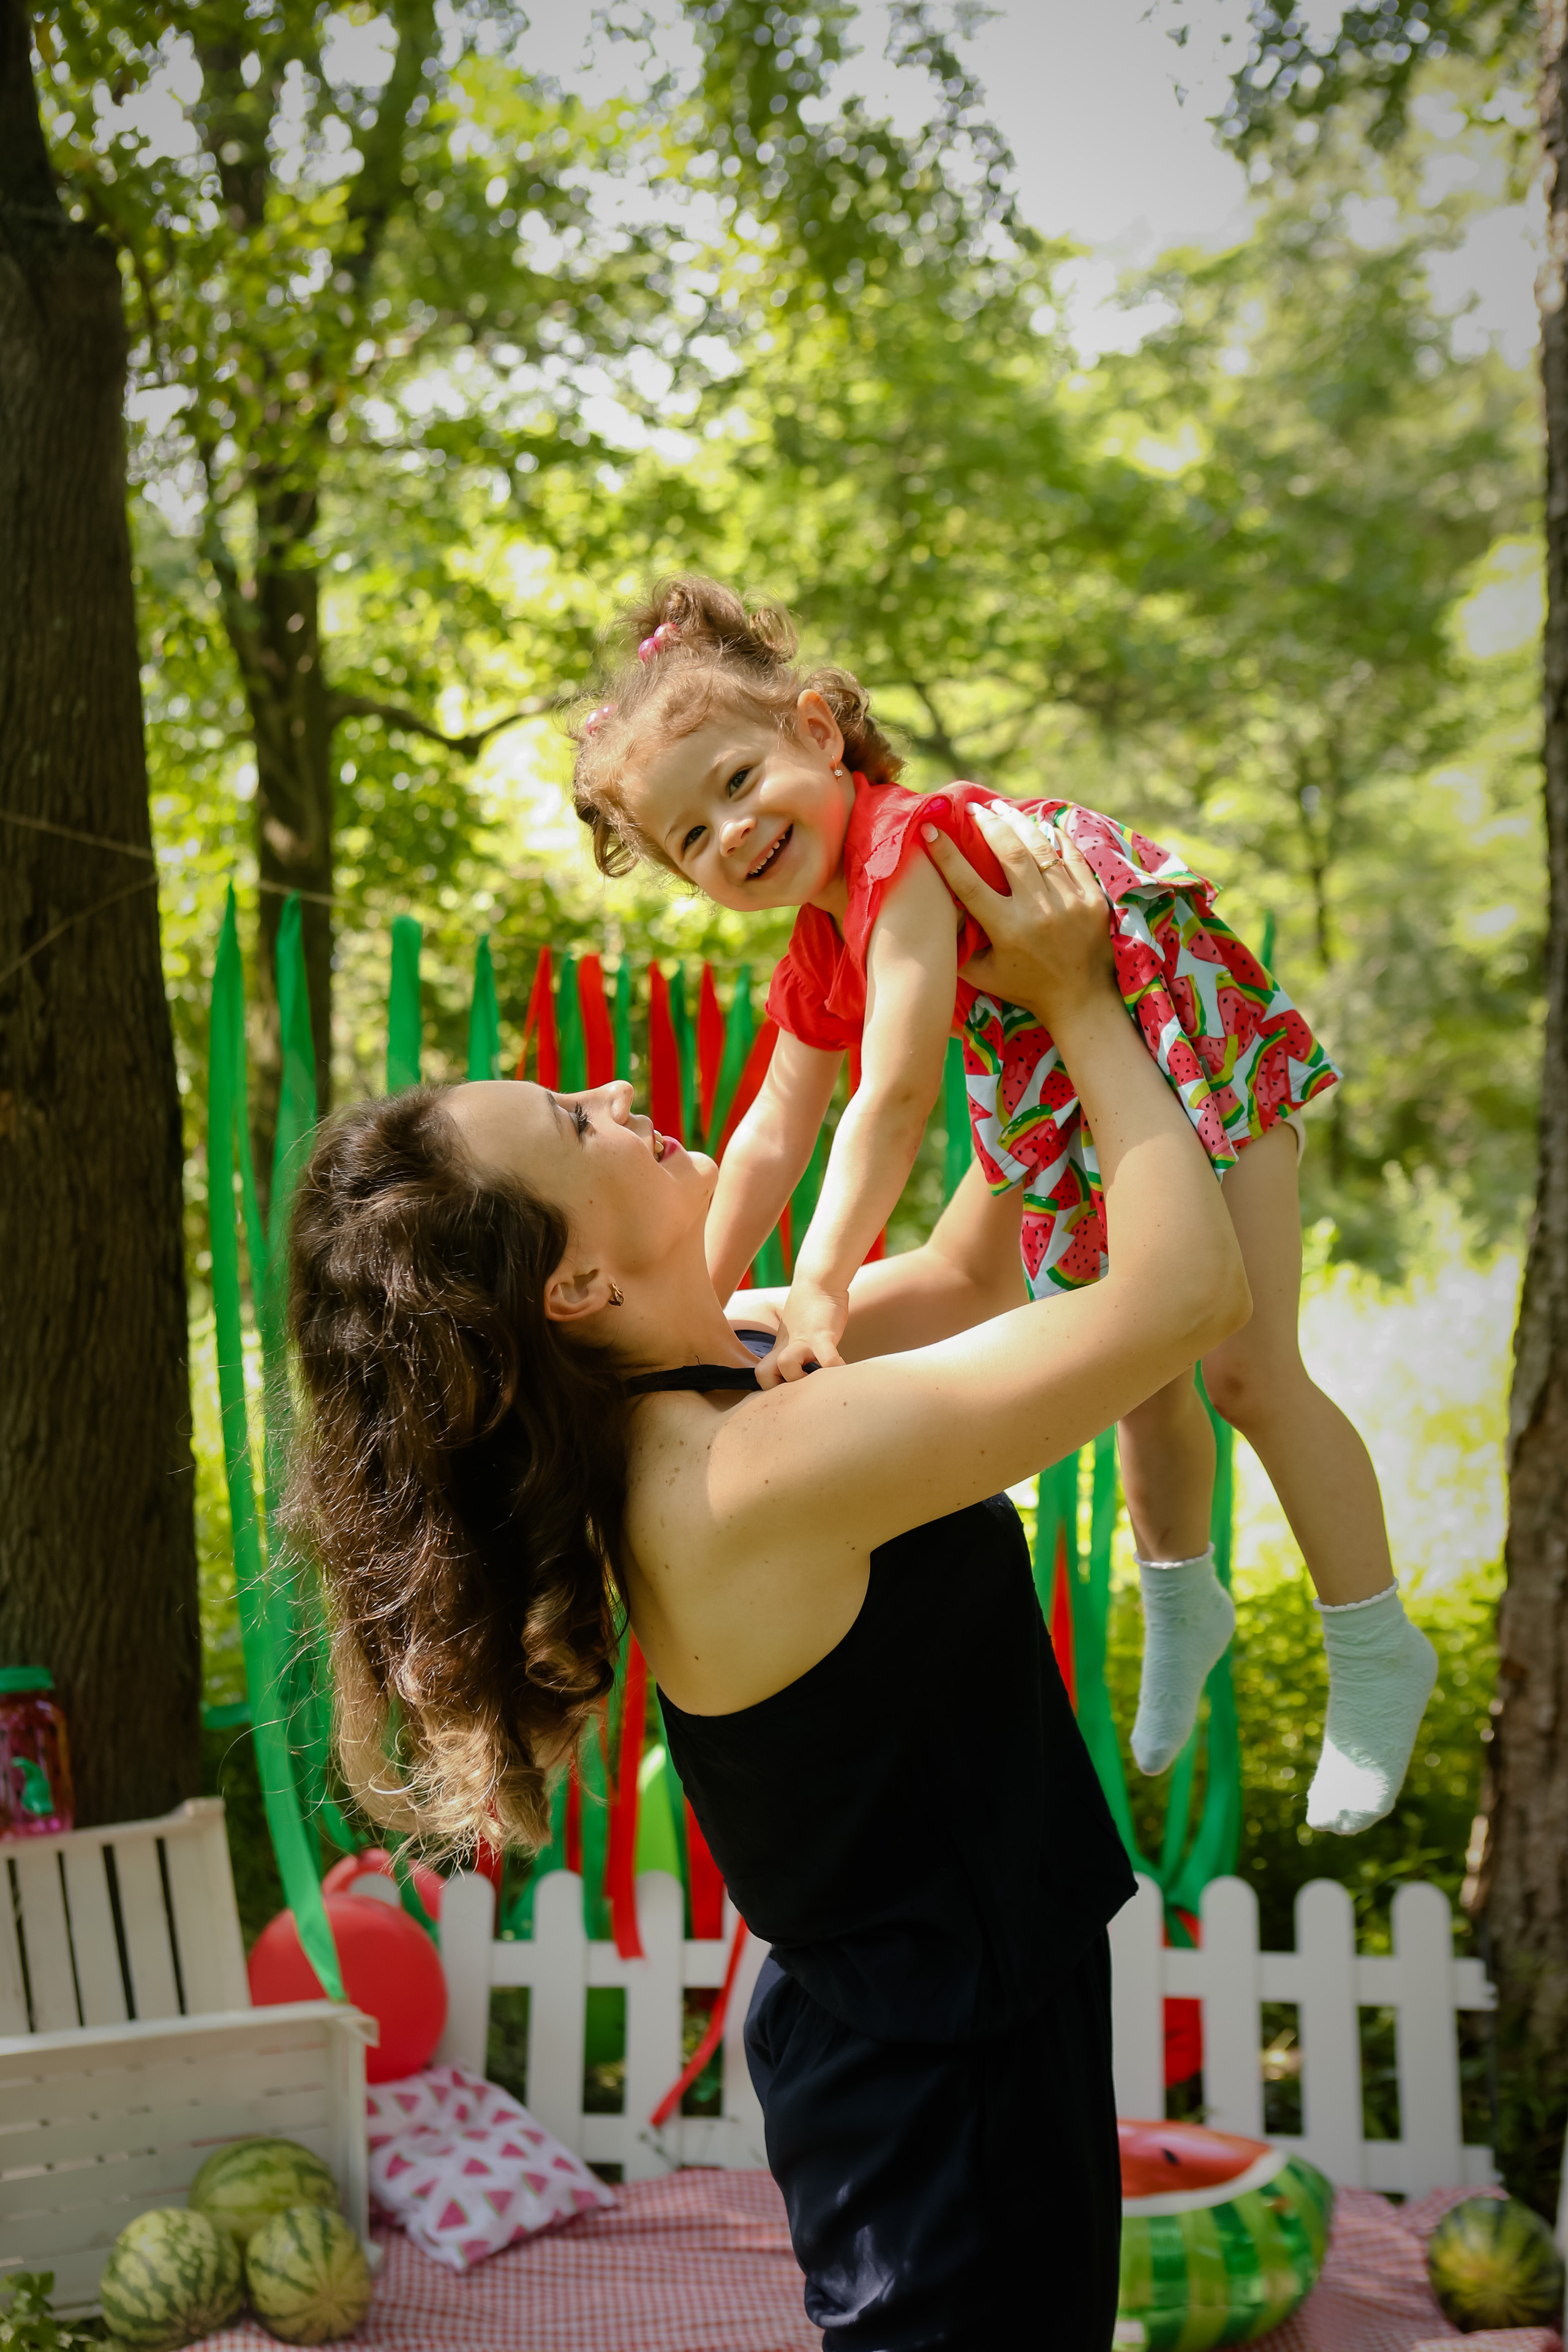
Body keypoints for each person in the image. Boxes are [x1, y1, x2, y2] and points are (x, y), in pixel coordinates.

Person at [288, 808, 1250, 2349]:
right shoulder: (733, 1483)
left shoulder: (728, 1357)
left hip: (962, 2021)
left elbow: (968, 1279)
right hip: (932, 2095)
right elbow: (1184, 1293)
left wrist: (1016, 990)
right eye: (578, 1124)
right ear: (574, 1284)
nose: (617, 1092)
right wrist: (1078, 1005)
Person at [567, 575, 1439, 1838]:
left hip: (1178, 1037)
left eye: (737, 782)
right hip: (1071, 1077)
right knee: (1136, 1373)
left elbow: (899, 1086)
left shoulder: (900, 848)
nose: (730, 835)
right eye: (691, 840)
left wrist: (816, 1287)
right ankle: (1183, 1596)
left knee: (1244, 1371)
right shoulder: (822, 933)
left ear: (817, 731)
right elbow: (770, 1126)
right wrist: (692, 1301)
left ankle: (1371, 1643)